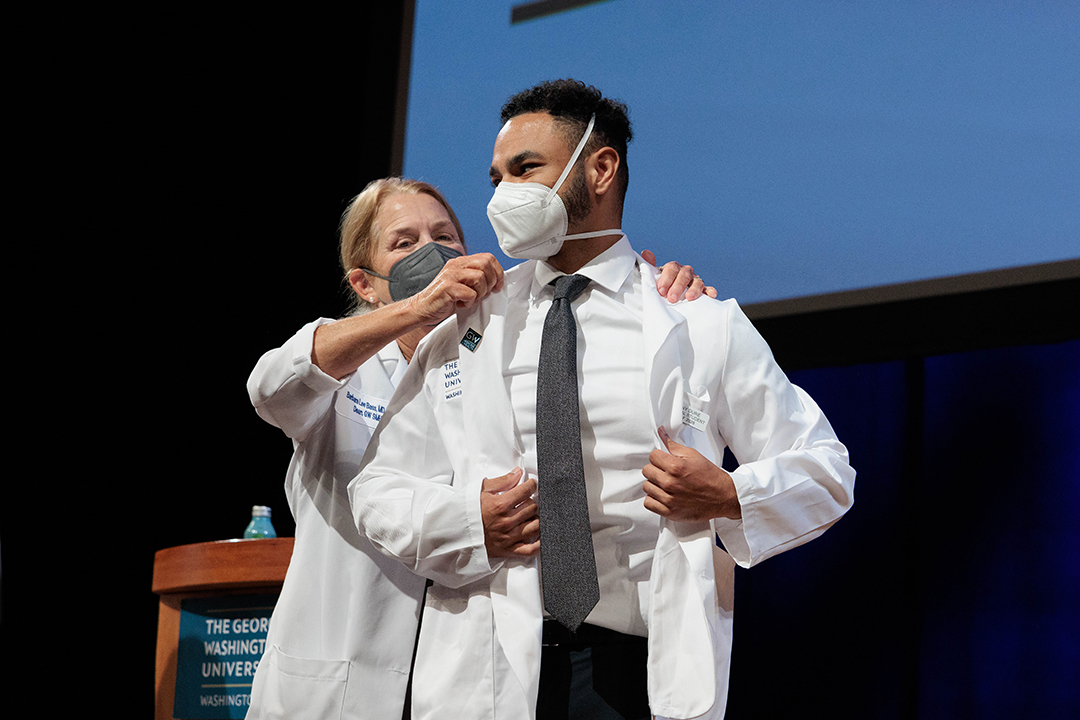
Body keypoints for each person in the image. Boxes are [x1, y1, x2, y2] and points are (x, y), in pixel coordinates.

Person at [350, 80, 856, 720]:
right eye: (496, 177)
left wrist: (729, 495)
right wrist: (466, 519)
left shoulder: (698, 323)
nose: (504, 194)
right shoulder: (471, 322)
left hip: (637, 669)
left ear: (601, 166)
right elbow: (377, 488)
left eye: (525, 169)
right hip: (492, 662)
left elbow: (827, 471)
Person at [244, 176, 714, 720]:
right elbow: (270, 386)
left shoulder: (496, 353)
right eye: (404, 242)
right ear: (365, 283)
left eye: (445, 235)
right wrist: (417, 309)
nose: (433, 251)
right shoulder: (345, 377)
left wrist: (642, 289)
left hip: (466, 675)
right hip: (344, 679)